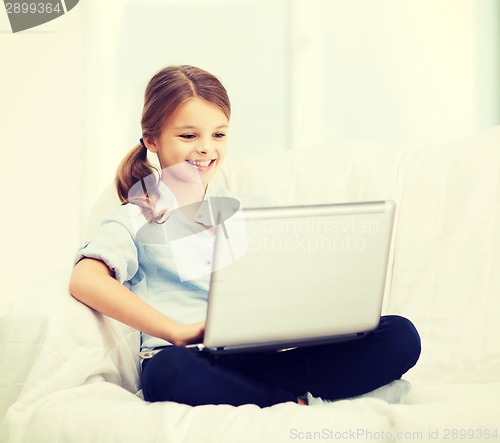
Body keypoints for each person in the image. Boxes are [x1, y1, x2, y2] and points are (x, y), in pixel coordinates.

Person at [69, 65, 421, 408]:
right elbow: (85, 279)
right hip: (192, 359)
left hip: (267, 356)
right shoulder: (134, 215)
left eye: (218, 134)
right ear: (152, 140)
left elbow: (289, 283)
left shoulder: (254, 210)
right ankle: (294, 402)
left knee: (400, 335)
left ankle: (263, 395)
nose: (206, 148)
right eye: (189, 135)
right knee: (168, 373)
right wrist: (174, 331)